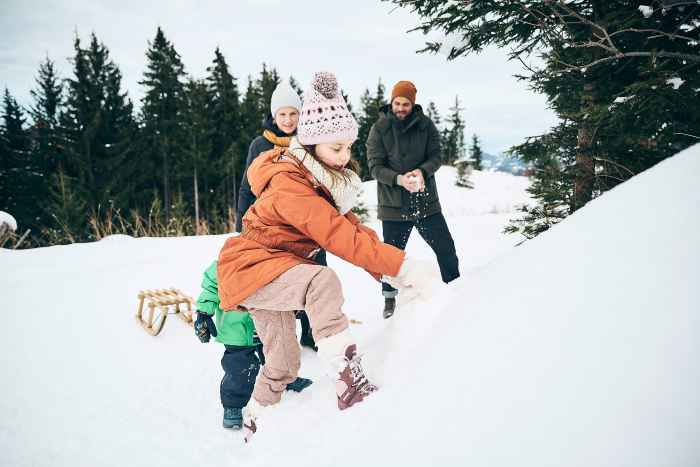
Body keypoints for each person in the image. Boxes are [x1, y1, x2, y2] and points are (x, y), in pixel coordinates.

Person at [216, 71, 420, 442]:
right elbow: (340, 236)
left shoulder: (319, 179)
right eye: (337, 148)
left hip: (275, 270)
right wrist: (403, 268)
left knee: (283, 363)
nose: (346, 156)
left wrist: (388, 274)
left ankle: (256, 422)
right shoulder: (293, 184)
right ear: (311, 145)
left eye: (349, 147)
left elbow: (354, 229)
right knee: (321, 280)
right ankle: (348, 380)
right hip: (252, 268)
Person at [235, 79, 320, 351]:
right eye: (282, 114)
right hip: (272, 226)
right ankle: (279, 336)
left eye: (293, 113)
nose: (288, 119)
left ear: (301, 114)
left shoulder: (309, 142)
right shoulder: (260, 145)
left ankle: (311, 331)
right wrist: (241, 225)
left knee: (315, 274)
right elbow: (247, 187)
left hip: (307, 223)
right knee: (277, 277)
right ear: (274, 116)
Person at [367, 80, 460, 319]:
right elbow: (374, 167)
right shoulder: (380, 128)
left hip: (425, 201)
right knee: (390, 258)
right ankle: (389, 300)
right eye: (397, 103)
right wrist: (398, 179)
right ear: (391, 102)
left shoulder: (426, 126)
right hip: (393, 205)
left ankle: (457, 289)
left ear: (413, 103)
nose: (400, 108)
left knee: (445, 247)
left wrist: (422, 172)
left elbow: (437, 156)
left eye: (405, 104)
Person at [193, 260, 313, 431]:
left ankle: (283, 380)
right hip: (236, 328)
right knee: (239, 368)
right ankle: (233, 405)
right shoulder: (230, 258)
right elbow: (212, 286)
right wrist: (204, 313)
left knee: (277, 354)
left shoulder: (271, 255)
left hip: (266, 321)